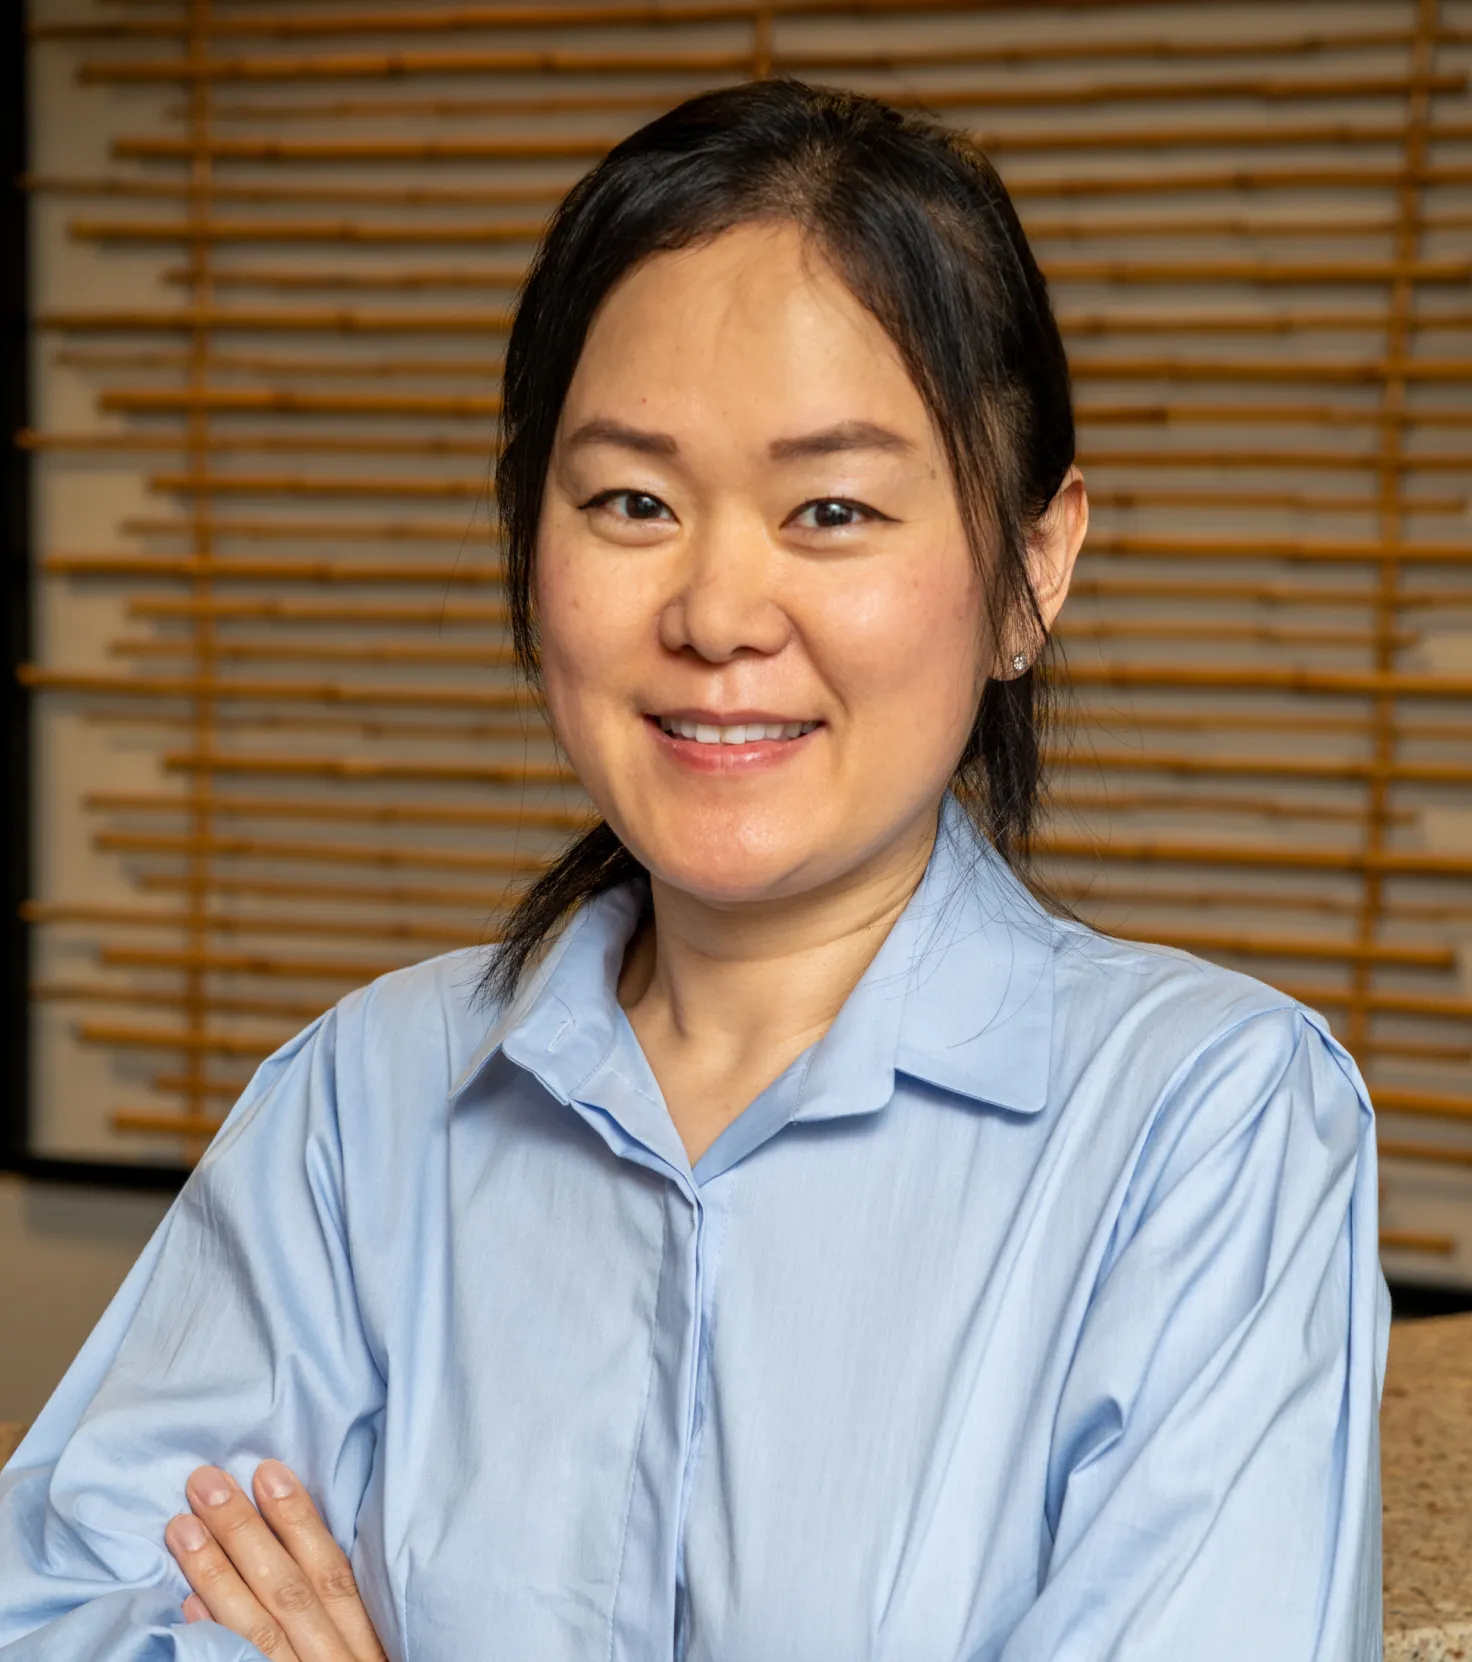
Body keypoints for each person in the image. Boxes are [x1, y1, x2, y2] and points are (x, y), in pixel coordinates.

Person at [0, 78, 1388, 1662]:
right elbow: (58, 1615)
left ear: (1031, 568)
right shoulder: (356, 1103)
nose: (719, 609)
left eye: (834, 506)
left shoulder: (1211, 1133)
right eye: (633, 501)